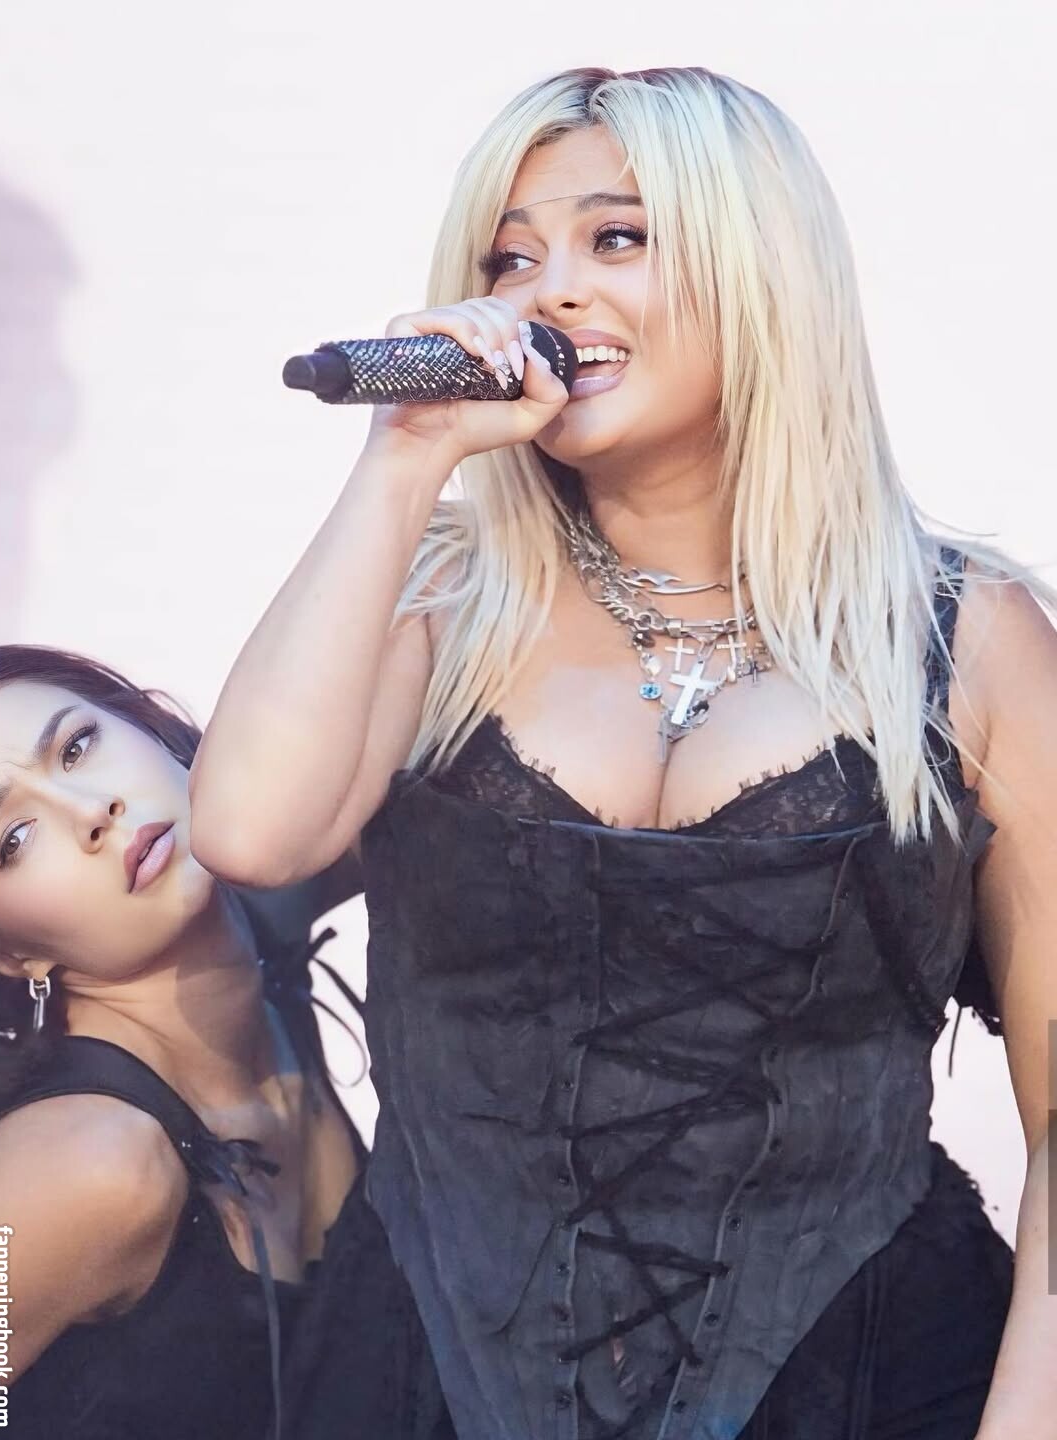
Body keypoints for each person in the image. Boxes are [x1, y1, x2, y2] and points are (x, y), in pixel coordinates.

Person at [189, 65, 1057, 1440]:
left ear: (761, 269)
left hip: (868, 1377)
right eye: (510, 259)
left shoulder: (966, 636)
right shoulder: (433, 599)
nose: (552, 293)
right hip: (427, 1380)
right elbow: (248, 833)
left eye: (617, 238)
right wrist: (404, 458)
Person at [0, 645, 454, 1440]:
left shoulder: (278, 896)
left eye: (77, 746)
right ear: (10, 954)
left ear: (150, 728)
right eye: (15, 840)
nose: (92, 811)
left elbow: (434, 668)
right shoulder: (91, 1165)